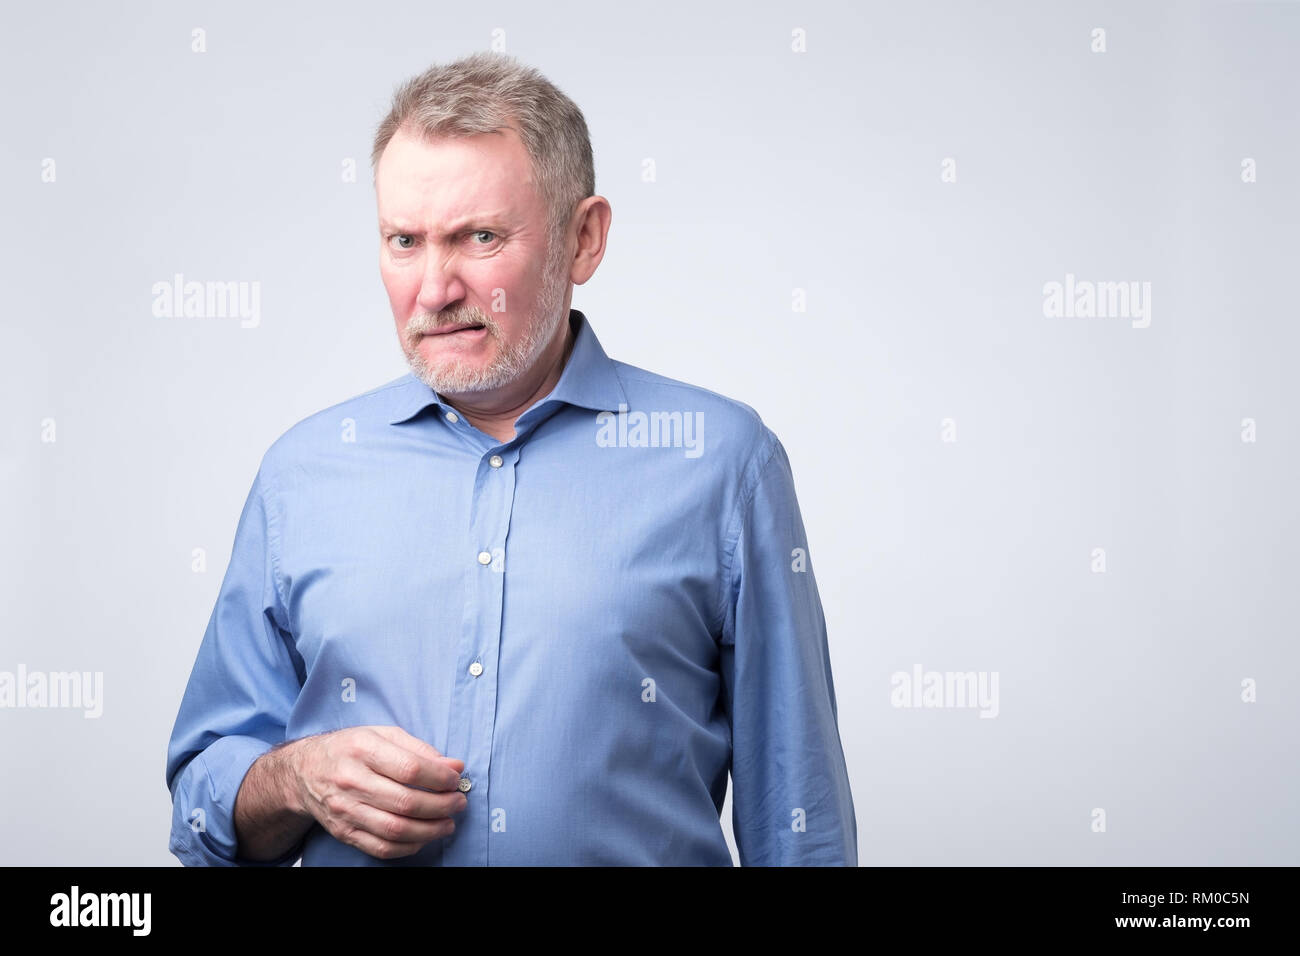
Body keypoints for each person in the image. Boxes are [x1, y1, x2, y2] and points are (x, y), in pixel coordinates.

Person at [165, 50, 857, 866]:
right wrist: (293, 778)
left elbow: (799, 822)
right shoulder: (301, 477)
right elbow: (200, 810)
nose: (433, 289)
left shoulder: (725, 465)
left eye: (479, 237)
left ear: (584, 239)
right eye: (404, 241)